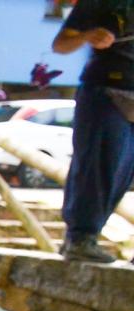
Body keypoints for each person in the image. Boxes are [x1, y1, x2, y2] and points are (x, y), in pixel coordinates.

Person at [52, 1, 134, 264]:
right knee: (98, 167)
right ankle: (80, 238)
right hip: (106, 92)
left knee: (124, 174)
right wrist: (89, 35)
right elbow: (61, 43)